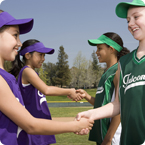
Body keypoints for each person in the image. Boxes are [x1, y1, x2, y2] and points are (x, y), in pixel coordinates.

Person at [0, 10, 94, 145]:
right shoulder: (23, 72)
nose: (19, 43)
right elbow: (32, 123)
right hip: (36, 127)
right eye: (15, 35)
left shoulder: (7, 77)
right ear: (28, 55)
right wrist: (75, 124)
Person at [76, 0, 145, 144]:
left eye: (136, 17)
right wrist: (90, 114)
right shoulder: (124, 63)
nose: (130, 24)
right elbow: (118, 104)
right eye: (127, 20)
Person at [9, 38, 84, 145]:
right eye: (40, 55)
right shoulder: (27, 71)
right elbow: (47, 90)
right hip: (35, 125)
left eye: (44, 56)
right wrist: (69, 91)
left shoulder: (33, 73)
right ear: (27, 55)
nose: (43, 59)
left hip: (41, 124)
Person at [76, 32, 130, 145]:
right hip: (103, 135)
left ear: (111, 49)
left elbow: (121, 106)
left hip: (114, 136)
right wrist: (87, 96)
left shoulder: (119, 71)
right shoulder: (106, 73)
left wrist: (108, 139)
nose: (96, 52)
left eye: (100, 48)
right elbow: (103, 106)